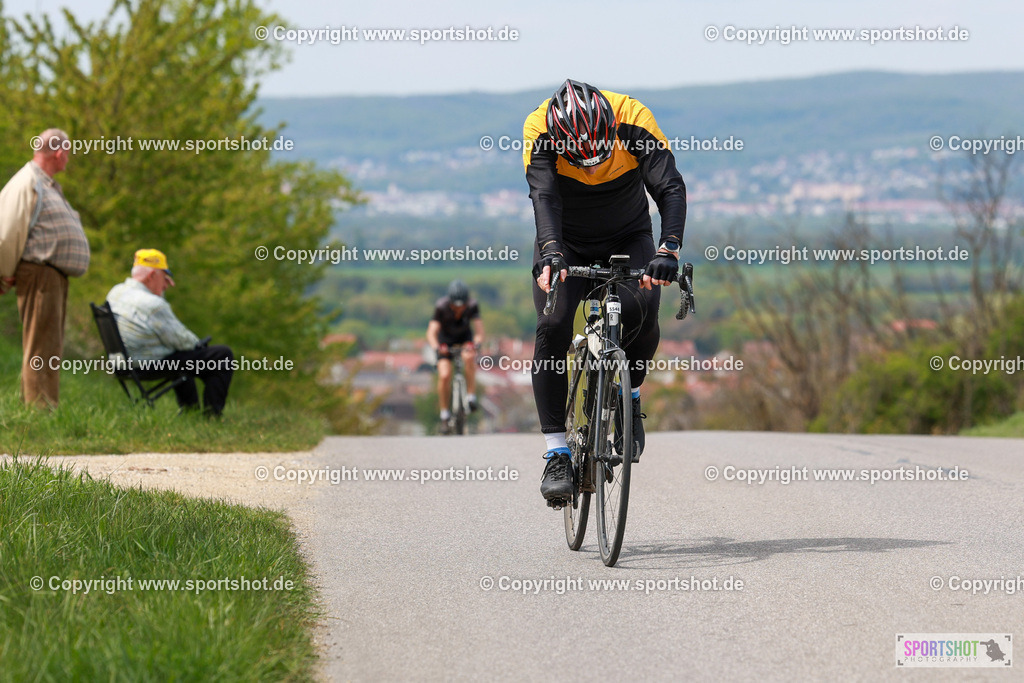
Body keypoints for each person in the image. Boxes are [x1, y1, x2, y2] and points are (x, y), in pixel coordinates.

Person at [523, 79, 687, 506]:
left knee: (642, 309)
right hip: (566, 239)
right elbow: (543, 196)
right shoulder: (539, 128)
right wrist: (552, 253)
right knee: (553, 324)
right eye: (581, 160)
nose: (592, 168)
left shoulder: (633, 117)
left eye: (599, 155)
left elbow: (668, 187)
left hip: (628, 234)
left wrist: (668, 248)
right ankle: (557, 452)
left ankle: (629, 397)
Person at [0, 129, 91, 408]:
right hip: (39, 273)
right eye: (69, 153)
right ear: (59, 152)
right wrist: (4, 272)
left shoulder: (45, 184)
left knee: (50, 346)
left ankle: (46, 407)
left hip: (52, 276)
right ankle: (39, 411)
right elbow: (8, 230)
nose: (69, 159)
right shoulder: (27, 182)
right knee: (40, 346)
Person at [106, 249, 234, 417]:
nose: (167, 283)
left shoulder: (115, 293)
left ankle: (190, 410)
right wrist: (199, 344)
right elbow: (183, 341)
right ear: (151, 275)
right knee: (221, 355)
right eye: (164, 277)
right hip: (145, 365)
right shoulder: (152, 304)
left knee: (181, 355)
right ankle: (212, 415)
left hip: (121, 362)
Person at [426, 279, 484, 434]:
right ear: (450, 302)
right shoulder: (441, 307)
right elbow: (432, 332)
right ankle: (444, 415)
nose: (458, 309)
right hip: (445, 343)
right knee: (444, 375)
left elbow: (478, 331)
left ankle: (471, 396)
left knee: (469, 357)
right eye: (455, 306)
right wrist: (437, 348)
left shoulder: (472, 306)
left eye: (462, 305)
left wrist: (476, 343)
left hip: (465, 340)